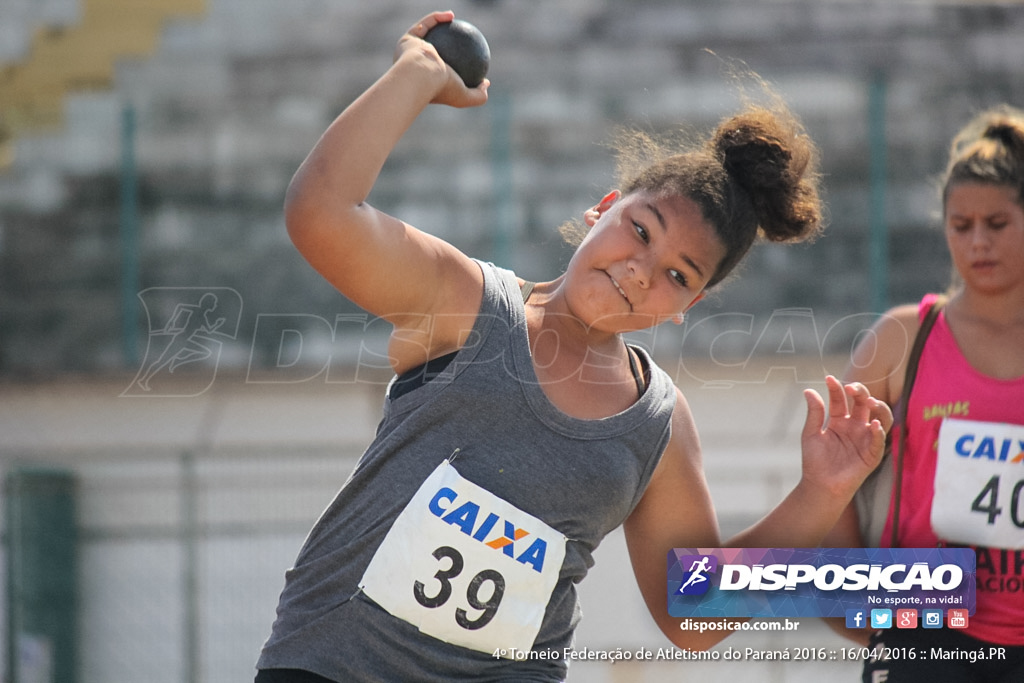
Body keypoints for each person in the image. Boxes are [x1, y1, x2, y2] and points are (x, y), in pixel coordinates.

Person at [255, 11, 890, 682]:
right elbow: (318, 212)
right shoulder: (468, 307)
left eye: (678, 275)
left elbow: (692, 611)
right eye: (640, 230)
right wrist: (415, 73)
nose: (643, 270)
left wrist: (821, 491)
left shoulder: (658, 424)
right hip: (330, 665)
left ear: (687, 307)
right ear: (603, 207)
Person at [824, 105, 1024, 681]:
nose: (979, 242)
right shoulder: (904, 336)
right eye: (962, 226)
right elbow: (827, 479)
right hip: (928, 628)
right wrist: (865, 612)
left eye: (998, 223)